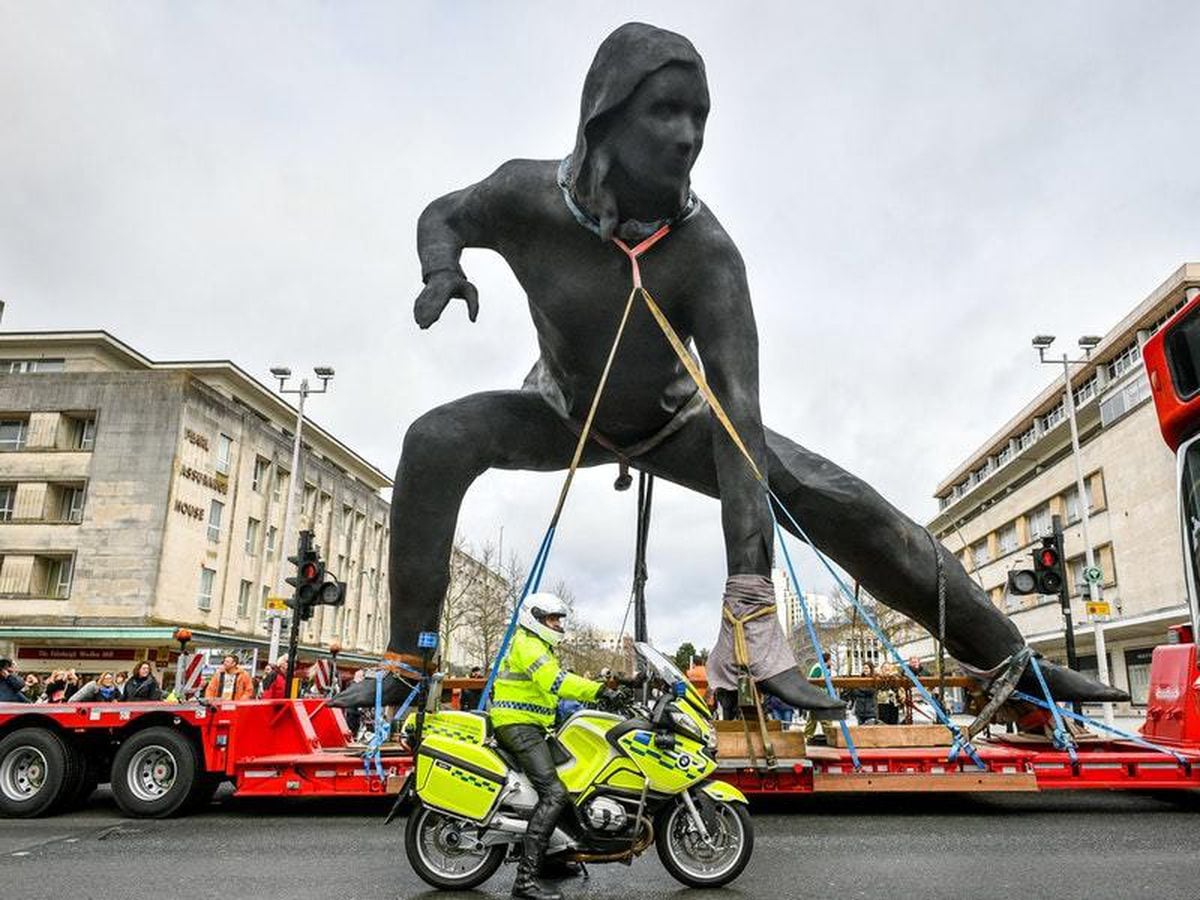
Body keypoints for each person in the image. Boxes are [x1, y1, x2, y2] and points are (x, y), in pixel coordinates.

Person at [331, 21, 1123, 714]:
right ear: (604, 117)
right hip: (563, 412)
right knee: (435, 439)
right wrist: (442, 268)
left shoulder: (708, 257)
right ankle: (407, 662)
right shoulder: (524, 194)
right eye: (665, 111)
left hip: (679, 424)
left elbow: (739, 429)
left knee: (848, 504)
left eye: (699, 116)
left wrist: (751, 603)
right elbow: (445, 213)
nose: (687, 135)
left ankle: (1015, 667)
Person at [488, 593, 622, 900]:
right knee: (554, 792)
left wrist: (619, 685)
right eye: (552, 619)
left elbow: (550, 691)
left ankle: (554, 858)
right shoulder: (527, 644)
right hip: (517, 726)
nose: (558, 624)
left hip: (532, 726)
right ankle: (525, 880)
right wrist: (598, 691)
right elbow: (554, 680)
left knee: (570, 781)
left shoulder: (539, 645)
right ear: (534, 618)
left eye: (559, 619)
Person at [803, 652, 835, 743]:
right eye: (830, 660)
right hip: (818, 697)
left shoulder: (823, 668)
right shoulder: (818, 668)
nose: (831, 662)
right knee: (825, 718)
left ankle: (807, 735)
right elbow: (813, 681)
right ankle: (830, 735)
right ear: (827, 660)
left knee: (813, 718)